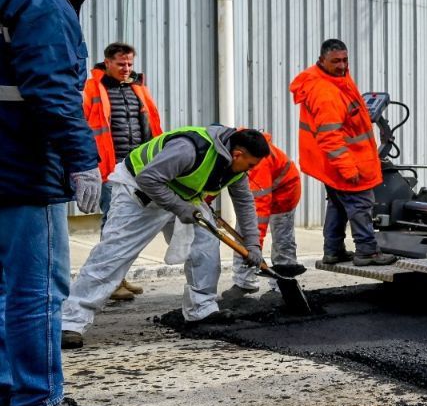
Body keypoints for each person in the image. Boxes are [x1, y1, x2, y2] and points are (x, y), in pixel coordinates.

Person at [1, 0, 111, 406]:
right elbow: (52, 89)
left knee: (5, 291)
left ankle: (9, 393)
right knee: (38, 288)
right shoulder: (45, 2)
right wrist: (80, 158)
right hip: (25, 170)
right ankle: (37, 399)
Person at [61, 126, 269, 347]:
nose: (250, 170)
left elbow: (245, 204)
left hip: (180, 195)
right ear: (238, 154)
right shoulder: (189, 149)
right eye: (250, 165)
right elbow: (148, 179)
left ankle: (202, 308)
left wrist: (253, 245)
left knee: (205, 245)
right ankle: (70, 322)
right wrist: (180, 207)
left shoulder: (235, 167)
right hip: (138, 195)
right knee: (113, 256)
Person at [290, 39, 395, 267]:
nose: (342, 65)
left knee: (338, 205)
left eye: (345, 60)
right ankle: (367, 251)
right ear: (322, 60)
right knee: (360, 204)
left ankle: (334, 251)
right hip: (344, 163)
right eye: (335, 61)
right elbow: (330, 137)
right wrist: (348, 168)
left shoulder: (334, 79)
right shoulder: (325, 92)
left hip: (332, 163)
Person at [83, 41, 164, 300]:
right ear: (107, 63)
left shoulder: (138, 88)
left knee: (129, 225)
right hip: (109, 167)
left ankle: (119, 277)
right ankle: (109, 281)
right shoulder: (92, 88)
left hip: (139, 166)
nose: (126, 68)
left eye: (129, 63)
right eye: (121, 64)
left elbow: (151, 124)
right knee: (114, 224)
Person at [222, 132, 305, 302]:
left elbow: (257, 212)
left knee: (282, 238)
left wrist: (254, 246)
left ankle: (282, 285)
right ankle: (244, 283)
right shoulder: (233, 151)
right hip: (266, 189)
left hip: (286, 191)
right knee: (243, 232)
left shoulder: (254, 164)